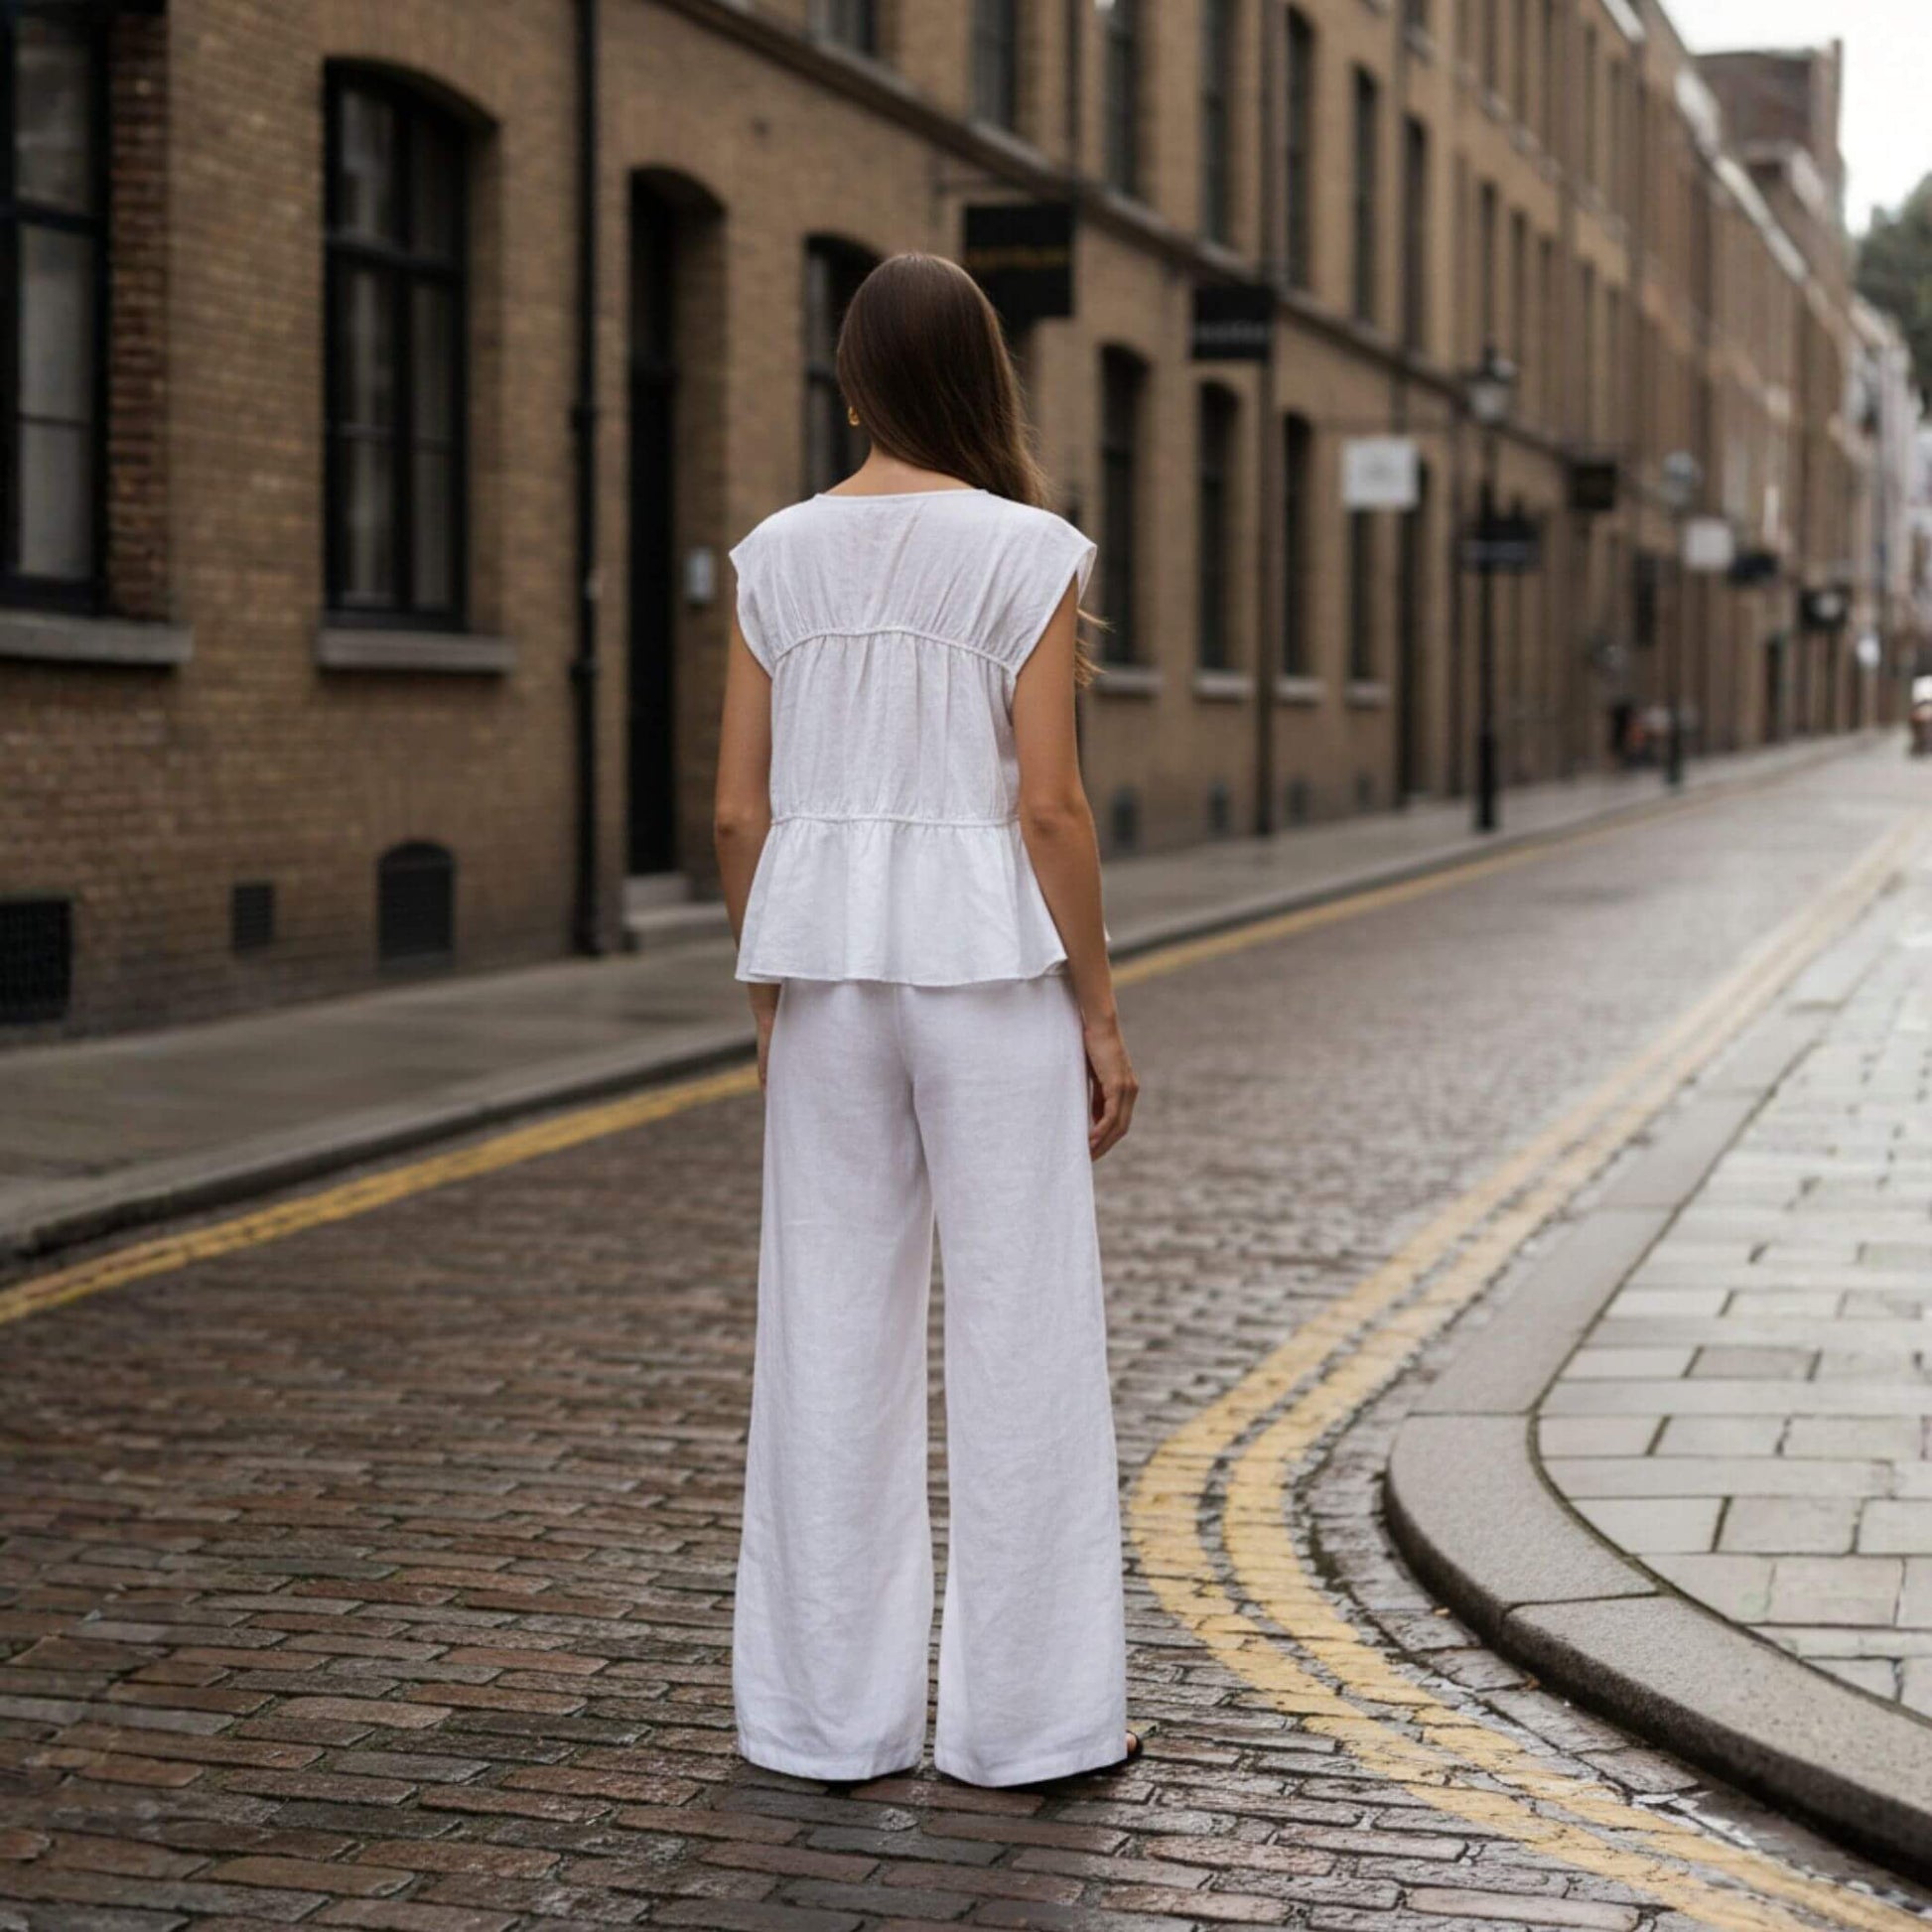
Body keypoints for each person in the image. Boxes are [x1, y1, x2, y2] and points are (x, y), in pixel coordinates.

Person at [713, 252, 1141, 1788]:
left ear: (850, 382)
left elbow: (733, 812)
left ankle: (826, 1722)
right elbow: (1047, 806)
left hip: (826, 984)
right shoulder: (1027, 551)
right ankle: (1026, 1725)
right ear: (984, 381)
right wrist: (1098, 1013)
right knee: (1022, 1338)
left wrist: (769, 995)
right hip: (989, 985)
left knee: (825, 1338)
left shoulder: (773, 556)